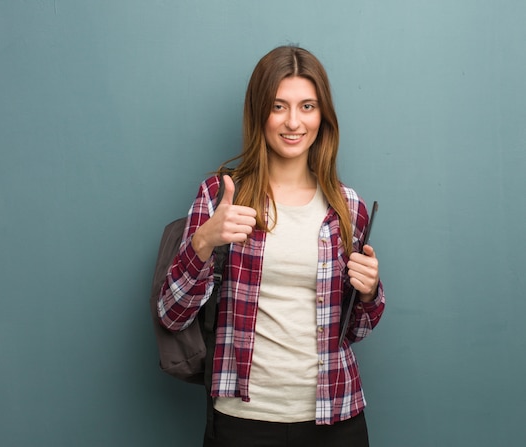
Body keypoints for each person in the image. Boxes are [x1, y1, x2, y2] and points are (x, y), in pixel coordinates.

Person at [158, 45, 385, 447]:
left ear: (322, 116)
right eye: (279, 106)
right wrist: (204, 241)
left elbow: (355, 330)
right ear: (260, 112)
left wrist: (369, 292)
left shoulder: (349, 207)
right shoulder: (221, 195)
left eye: (307, 106)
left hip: (336, 417)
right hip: (244, 421)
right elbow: (172, 315)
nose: (294, 122)